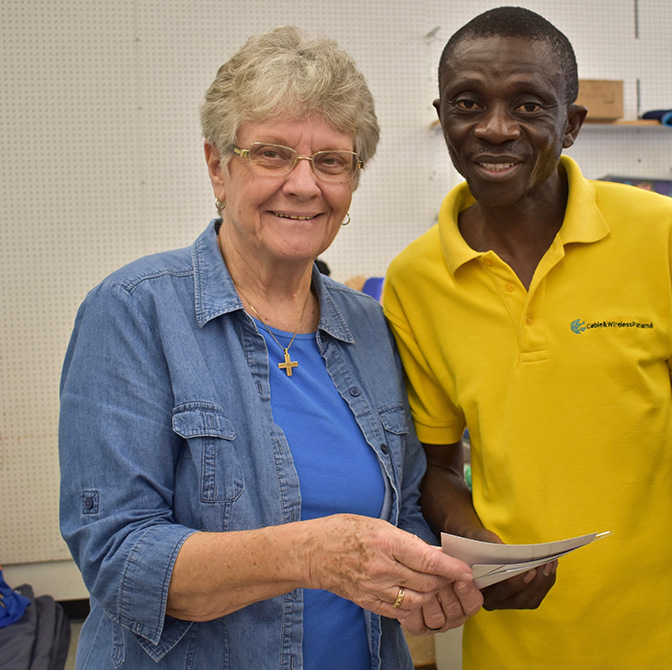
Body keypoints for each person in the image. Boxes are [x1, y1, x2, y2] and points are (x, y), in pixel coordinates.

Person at [58, 26, 481, 670]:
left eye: (332, 161)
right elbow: (119, 561)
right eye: (273, 154)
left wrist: (430, 578)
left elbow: (402, 514)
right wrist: (309, 554)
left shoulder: (370, 327)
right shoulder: (134, 312)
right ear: (216, 167)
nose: (304, 185)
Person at [381, 7, 672, 668]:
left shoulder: (664, 234)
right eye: (468, 103)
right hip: (511, 643)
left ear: (571, 125)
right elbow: (430, 468)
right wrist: (478, 547)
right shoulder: (414, 280)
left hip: (669, 638)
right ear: (443, 116)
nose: (494, 128)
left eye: (527, 105)